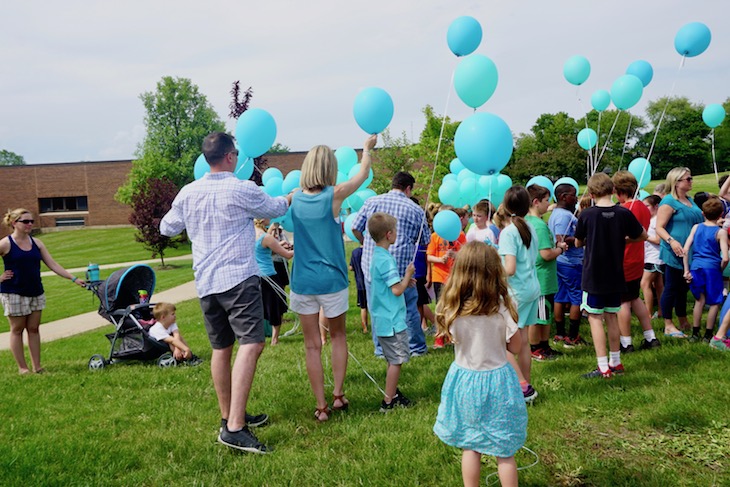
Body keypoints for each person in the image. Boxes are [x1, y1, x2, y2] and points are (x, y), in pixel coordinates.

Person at [160, 131, 290, 453]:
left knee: (222, 349)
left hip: (206, 283)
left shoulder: (188, 193)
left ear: (207, 158)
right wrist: (291, 197)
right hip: (238, 279)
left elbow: (166, 227)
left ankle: (229, 416)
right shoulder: (241, 188)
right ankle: (234, 428)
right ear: (231, 157)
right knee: (252, 343)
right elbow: (274, 208)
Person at [289, 135, 377, 422]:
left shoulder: (293, 197)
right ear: (328, 168)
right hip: (332, 280)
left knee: (312, 345)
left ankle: (321, 406)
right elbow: (363, 174)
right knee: (338, 337)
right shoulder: (334, 195)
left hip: (303, 281)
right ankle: (338, 395)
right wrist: (366, 149)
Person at [433, 241, 528, 487]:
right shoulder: (502, 305)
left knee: (471, 445)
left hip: (465, 380)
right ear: (494, 271)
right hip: (498, 381)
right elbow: (516, 347)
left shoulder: (453, 307)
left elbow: (452, 338)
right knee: (504, 449)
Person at [574, 173, 646, 379]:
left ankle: (603, 366)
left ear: (591, 193)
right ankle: (616, 362)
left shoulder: (586, 215)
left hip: (594, 275)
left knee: (595, 318)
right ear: (613, 190)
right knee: (611, 316)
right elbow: (641, 234)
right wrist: (622, 239)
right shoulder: (623, 213)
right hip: (616, 273)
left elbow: (579, 242)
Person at [352, 171, 431, 358]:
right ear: (408, 188)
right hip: (401, 269)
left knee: (377, 309)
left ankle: (380, 350)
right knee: (409, 309)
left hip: (373, 267)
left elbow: (355, 227)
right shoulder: (415, 209)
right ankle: (416, 347)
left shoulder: (372, 202)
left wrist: (365, 243)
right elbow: (425, 240)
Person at [1, 208, 86, 374]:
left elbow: (52, 264)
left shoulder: (37, 243)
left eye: (31, 221)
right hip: (13, 293)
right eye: (25, 221)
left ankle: (37, 367)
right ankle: (23, 368)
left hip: (36, 291)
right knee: (17, 330)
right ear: (14, 223)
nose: (30, 224)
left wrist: (73, 278)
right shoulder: (5, 243)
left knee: (33, 329)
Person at [368, 212, 416, 411]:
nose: (397, 233)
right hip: (392, 320)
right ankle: (388, 401)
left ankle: (392, 392)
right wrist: (407, 275)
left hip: (383, 318)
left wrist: (405, 281)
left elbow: (391, 286)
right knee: (396, 361)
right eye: (395, 230)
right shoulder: (386, 260)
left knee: (391, 359)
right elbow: (396, 290)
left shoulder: (378, 255)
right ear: (388, 235)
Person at [498, 186, 541, 402]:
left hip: (517, 293)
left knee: (507, 343)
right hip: (531, 288)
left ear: (505, 206)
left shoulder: (509, 232)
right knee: (523, 341)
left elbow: (510, 268)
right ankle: (525, 384)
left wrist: (491, 268)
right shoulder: (529, 227)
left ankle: (519, 387)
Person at [612, 171, 661, 353]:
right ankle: (650, 336)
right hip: (638, 258)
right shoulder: (643, 207)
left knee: (622, 302)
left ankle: (626, 342)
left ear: (617, 190)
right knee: (634, 297)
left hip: (623, 260)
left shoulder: (624, 210)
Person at [655, 167, 704, 337]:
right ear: (676, 182)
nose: (691, 181)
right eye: (687, 179)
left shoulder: (690, 200)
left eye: (691, 178)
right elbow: (659, 227)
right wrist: (671, 241)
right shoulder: (669, 202)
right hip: (674, 251)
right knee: (672, 287)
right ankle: (668, 324)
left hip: (690, 251)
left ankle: (682, 319)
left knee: (683, 288)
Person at [525, 184, 568, 361]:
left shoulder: (527, 222)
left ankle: (544, 345)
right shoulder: (539, 226)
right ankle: (535, 348)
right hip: (542, 279)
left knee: (544, 315)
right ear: (536, 202)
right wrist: (560, 249)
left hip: (535, 277)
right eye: (545, 201)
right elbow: (545, 254)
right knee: (538, 317)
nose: (548, 204)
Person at [682, 197, 729, 342]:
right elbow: (725, 258)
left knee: (699, 300)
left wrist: (686, 270)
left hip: (696, 267)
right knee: (714, 301)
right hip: (712, 268)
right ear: (721, 214)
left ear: (703, 213)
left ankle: (695, 333)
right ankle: (708, 334)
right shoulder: (720, 232)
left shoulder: (696, 227)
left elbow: (685, 249)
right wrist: (720, 270)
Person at [548, 184, 586, 347]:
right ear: (563, 197)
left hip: (561, 262)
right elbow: (561, 239)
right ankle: (571, 336)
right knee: (575, 297)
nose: (576, 198)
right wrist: (582, 237)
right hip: (570, 263)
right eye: (573, 195)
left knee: (561, 296)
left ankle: (560, 334)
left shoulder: (559, 213)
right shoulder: (563, 216)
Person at [427, 206, 467, 348]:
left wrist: (457, 255)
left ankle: (451, 335)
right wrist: (440, 260)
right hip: (440, 276)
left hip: (455, 277)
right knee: (440, 308)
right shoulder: (434, 236)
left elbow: (466, 254)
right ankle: (439, 337)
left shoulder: (460, 235)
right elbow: (429, 256)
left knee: (455, 307)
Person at [254, 218, 293, 346]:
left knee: (259, 308)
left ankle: (257, 337)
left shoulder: (248, 235)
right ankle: (274, 339)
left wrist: (279, 245)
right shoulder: (265, 237)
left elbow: (263, 252)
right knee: (277, 307)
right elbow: (287, 255)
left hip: (255, 277)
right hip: (269, 276)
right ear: (263, 219)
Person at [641, 195, 664, 320]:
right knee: (658, 285)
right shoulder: (650, 219)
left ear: (656, 206)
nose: (645, 209)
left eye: (647, 206)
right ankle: (661, 311)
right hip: (650, 256)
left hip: (654, 258)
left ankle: (648, 313)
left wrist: (644, 236)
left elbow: (659, 240)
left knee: (645, 283)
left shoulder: (656, 221)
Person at [349, 241, 369, 334]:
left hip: (360, 284)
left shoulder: (355, 252)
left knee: (363, 307)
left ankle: (365, 328)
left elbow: (351, 267)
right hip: (370, 282)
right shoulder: (369, 251)